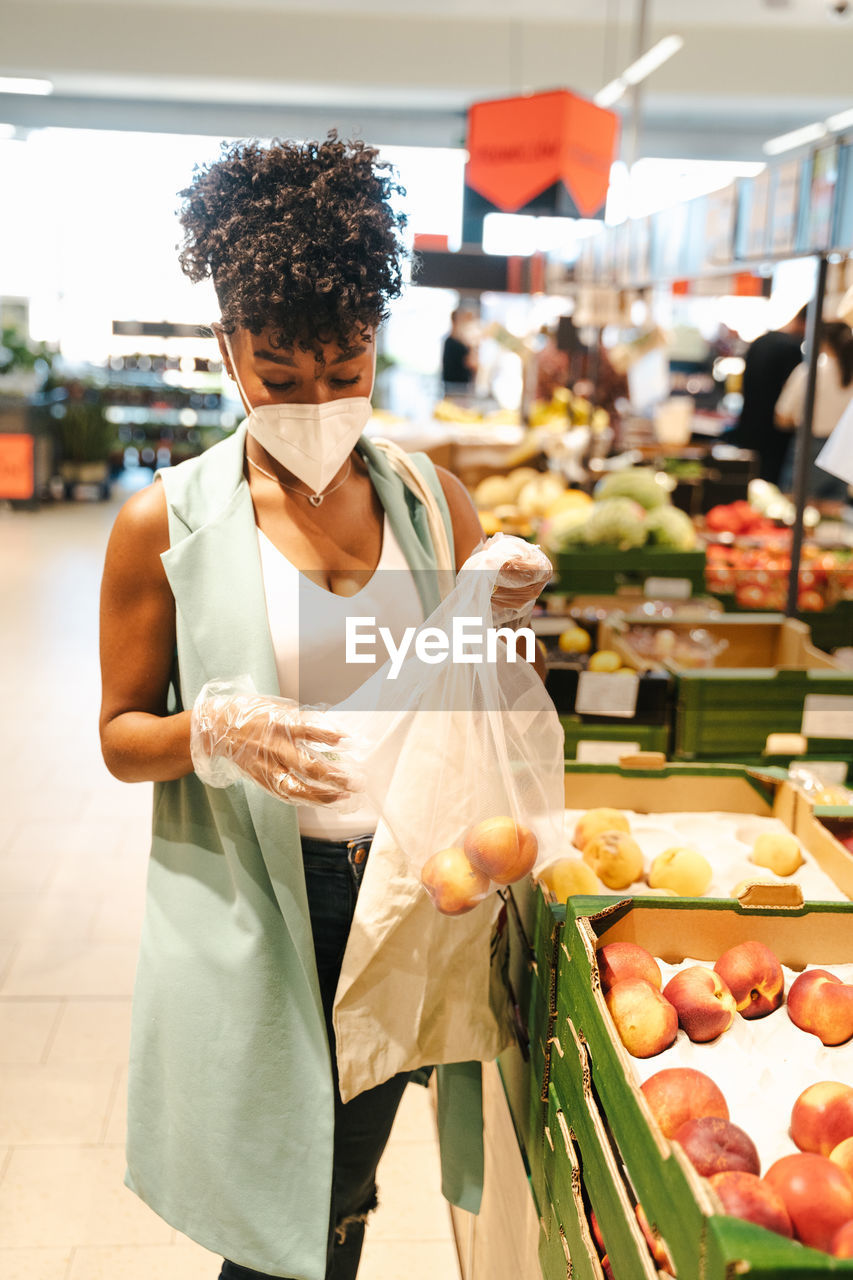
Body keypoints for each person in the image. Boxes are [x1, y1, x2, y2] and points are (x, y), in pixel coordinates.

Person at [98, 135, 550, 1280]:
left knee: (339, 1193)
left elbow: (474, 696)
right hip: (265, 901)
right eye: (279, 376)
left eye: (343, 368)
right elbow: (117, 737)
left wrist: (505, 616)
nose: (315, 400)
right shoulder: (167, 525)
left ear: (375, 344)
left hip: (405, 895)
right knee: (280, 1201)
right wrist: (211, 731)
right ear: (226, 353)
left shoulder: (427, 496)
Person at [728, 305, 808, 484]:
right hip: (774, 435)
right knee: (766, 486)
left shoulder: (761, 341)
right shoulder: (793, 348)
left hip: (748, 426)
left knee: (746, 481)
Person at [775, 320, 853, 502]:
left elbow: (782, 417)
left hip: (810, 447)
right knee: (834, 515)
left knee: (797, 507)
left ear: (823, 342)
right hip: (844, 449)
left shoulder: (808, 372)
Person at [441, 305, 478, 394]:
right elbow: (472, 364)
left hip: (456, 385)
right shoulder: (455, 342)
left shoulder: (455, 341)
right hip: (457, 387)